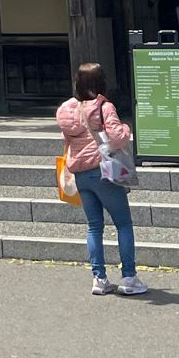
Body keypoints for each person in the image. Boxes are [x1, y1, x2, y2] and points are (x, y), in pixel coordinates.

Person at [56, 63, 145, 296]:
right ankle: (129, 278)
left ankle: (99, 279)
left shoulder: (68, 109)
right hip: (102, 171)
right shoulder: (104, 106)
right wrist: (125, 129)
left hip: (80, 173)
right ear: (101, 82)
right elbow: (117, 136)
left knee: (94, 226)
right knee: (123, 224)